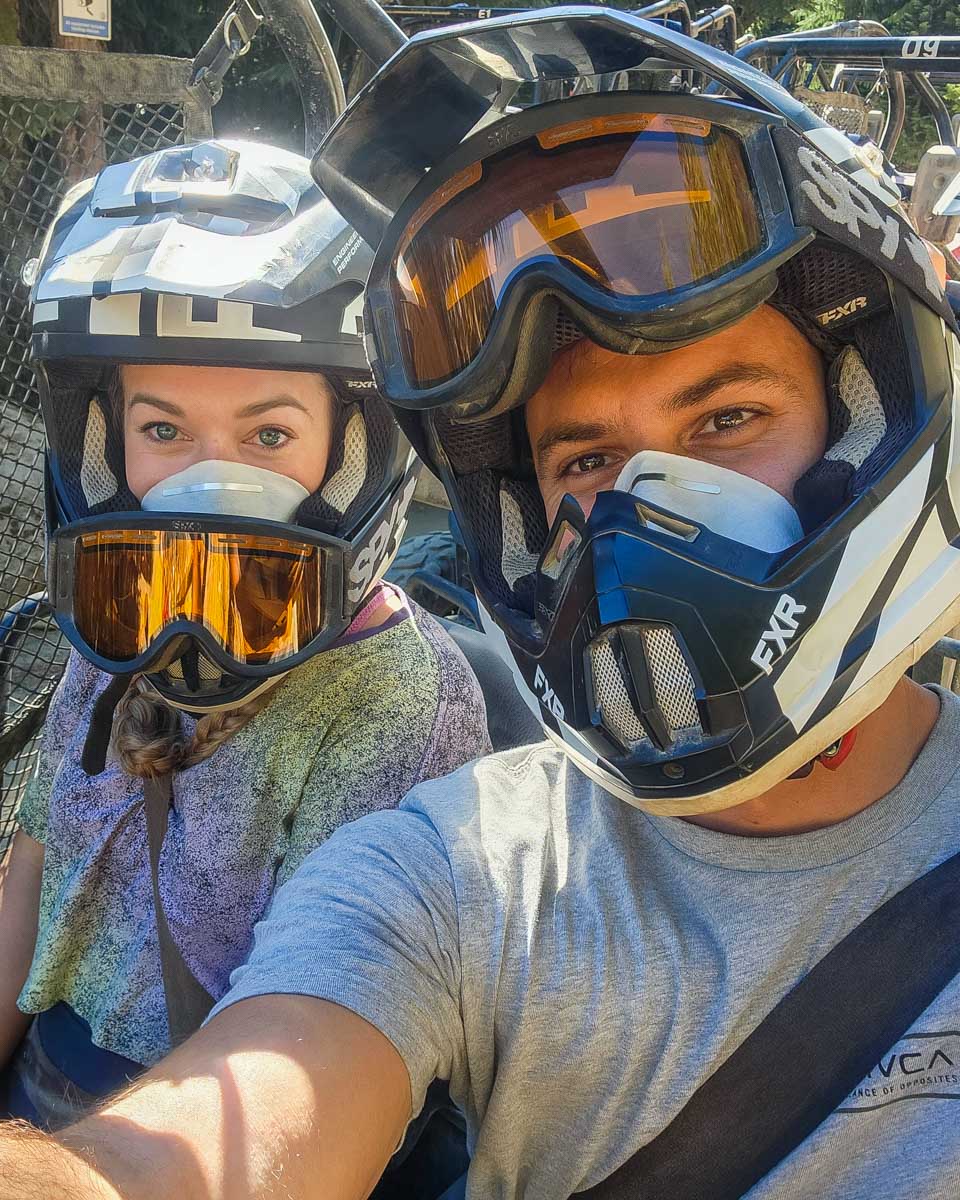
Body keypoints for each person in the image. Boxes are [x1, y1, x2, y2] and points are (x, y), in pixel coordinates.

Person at [3, 10, 960, 1199]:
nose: (646, 511)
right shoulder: (474, 866)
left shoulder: (404, 703)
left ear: (868, 423)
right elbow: (228, 1129)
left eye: (726, 421)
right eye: (585, 463)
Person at [0, 139, 489, 1130]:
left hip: (180, 1141)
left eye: (269, 436)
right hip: (39, 1089)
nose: (206, 485)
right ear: (104, 449)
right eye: (164, 431)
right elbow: (36, 863)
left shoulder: (400, 705)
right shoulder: (113, 618)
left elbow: (304, 1055)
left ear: (351, 458)